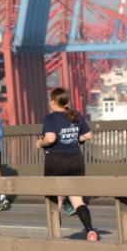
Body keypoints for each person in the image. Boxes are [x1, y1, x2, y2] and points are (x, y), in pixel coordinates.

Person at [36, 88, 96, 241]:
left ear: (53, 101)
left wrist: (40, 143)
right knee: (77, 200)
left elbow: (50, 138)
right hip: (75, 161)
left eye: (50, 99)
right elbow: (89, 135)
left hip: (56, 162)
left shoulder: (50, 118)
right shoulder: (75, 114)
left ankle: (56, 237)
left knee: (56, 202)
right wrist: (75, 140)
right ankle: (90, 230)